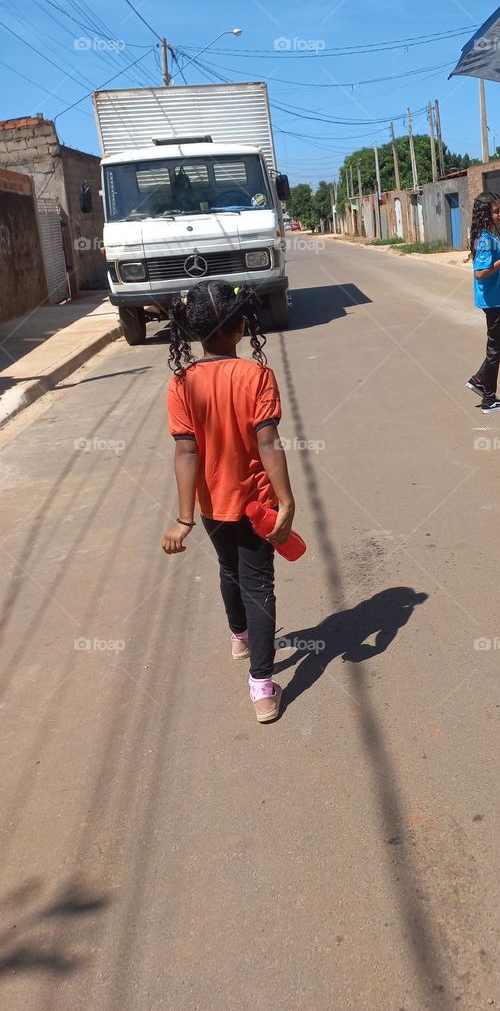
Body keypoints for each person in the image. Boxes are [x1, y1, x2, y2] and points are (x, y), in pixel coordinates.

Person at [160, 280, 296, 720]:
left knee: (228, 568)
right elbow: (269, 444)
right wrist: (287, 502)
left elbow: (186, 451)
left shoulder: (181, 383)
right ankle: (261, 685)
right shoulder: (256, 377)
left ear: (194, 330)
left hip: (210, 506)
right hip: (257, 503)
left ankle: (239, 635)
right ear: (240, 328)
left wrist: (183, 519)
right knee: (259, 583)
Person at [466, 191, 500, 414]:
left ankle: (479, 379)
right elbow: (480, 273)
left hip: (497, 298)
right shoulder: (485, 239)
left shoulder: (489, 234)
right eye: (495, 211)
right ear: (485, 214)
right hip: (493, 300)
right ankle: (489, 399)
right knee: (494, 349)